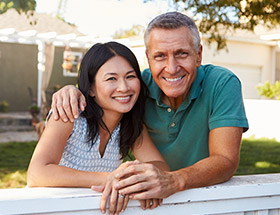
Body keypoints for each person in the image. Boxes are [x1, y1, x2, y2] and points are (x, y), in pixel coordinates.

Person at [50, 12, 249, 203]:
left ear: (198, 55)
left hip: (204, 198)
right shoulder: (137, 87)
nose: (171, 68)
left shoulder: (222, 83)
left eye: (181, 54)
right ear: (148, 58)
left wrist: (172, 180)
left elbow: (225, 160)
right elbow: (104, 90)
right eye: (160, 56)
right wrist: (72, 91)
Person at [27, 41, 169, 215]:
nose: (124, 87)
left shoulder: (131, 125)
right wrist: (113, 178)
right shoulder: (70, 115)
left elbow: (162, 167)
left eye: (130, 76)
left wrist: (133, 176)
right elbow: (37, 173)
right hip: (51, 209)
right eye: (111, 78)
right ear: (91, 88)